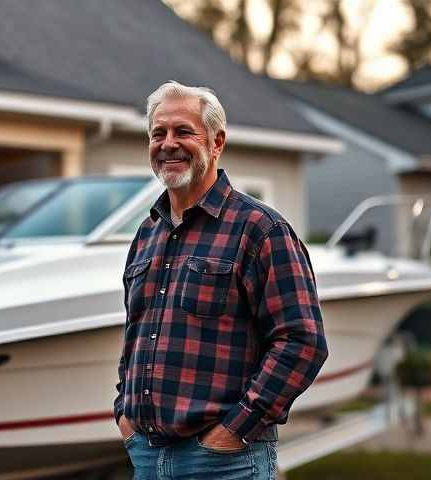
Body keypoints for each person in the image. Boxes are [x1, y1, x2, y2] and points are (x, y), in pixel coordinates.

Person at [113, 81, 328, 479]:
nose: (168, 143)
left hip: (224, 462)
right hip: (147, 456)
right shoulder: (148, 233)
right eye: (158, 133)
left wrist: (233, 431)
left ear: (216, 143)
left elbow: (302, 342)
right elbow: (136, 334)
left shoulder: (260, 229)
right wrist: (125, 415)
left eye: (183, 131)